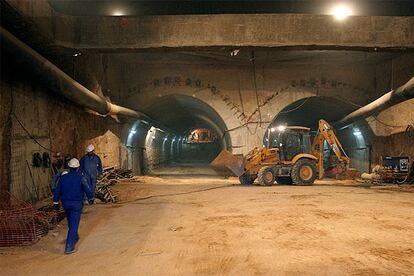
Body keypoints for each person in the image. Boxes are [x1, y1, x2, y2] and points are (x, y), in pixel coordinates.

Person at [53, 158, 94, 254]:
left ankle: (74, 236)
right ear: (78, 167)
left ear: (69, 167)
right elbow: (87, 189)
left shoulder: (63, 178)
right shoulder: (80, 178)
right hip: (76, 204)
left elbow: (57, 191)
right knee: (74, 224)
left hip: (66, 203)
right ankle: (69, 247)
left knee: (70, 221)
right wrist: (91, 198)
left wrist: (55, 203)